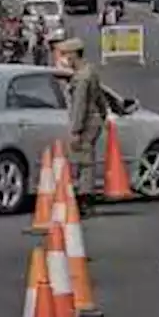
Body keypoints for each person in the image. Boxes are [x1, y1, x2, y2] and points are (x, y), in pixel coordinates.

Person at [56, 37, 108, 218]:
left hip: (85, 123)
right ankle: (85, 198)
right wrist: (103, 114)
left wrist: (76, 130)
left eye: (66, 55)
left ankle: (85, 201)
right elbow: (101, 98)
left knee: (84, 162)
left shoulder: (81, 78)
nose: (64, 59)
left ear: (73, 55)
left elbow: (79, 106)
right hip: (93, 120)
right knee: (86, 160)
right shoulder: (90, 72)